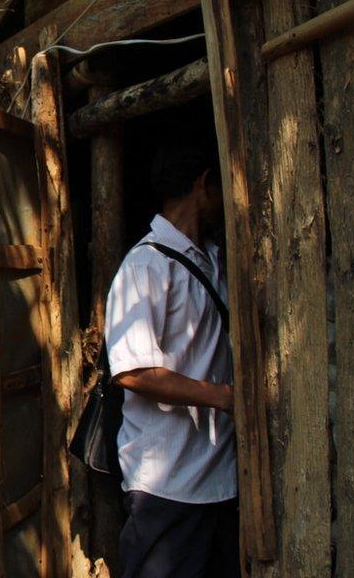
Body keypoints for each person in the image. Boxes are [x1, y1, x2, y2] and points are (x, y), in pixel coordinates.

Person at [104, 136, 238, 578]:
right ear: (204, 186)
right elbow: (133, 371)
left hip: (219, 482)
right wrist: (222, 396)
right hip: (166, 488)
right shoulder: (145, 266)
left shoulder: (217, 260)